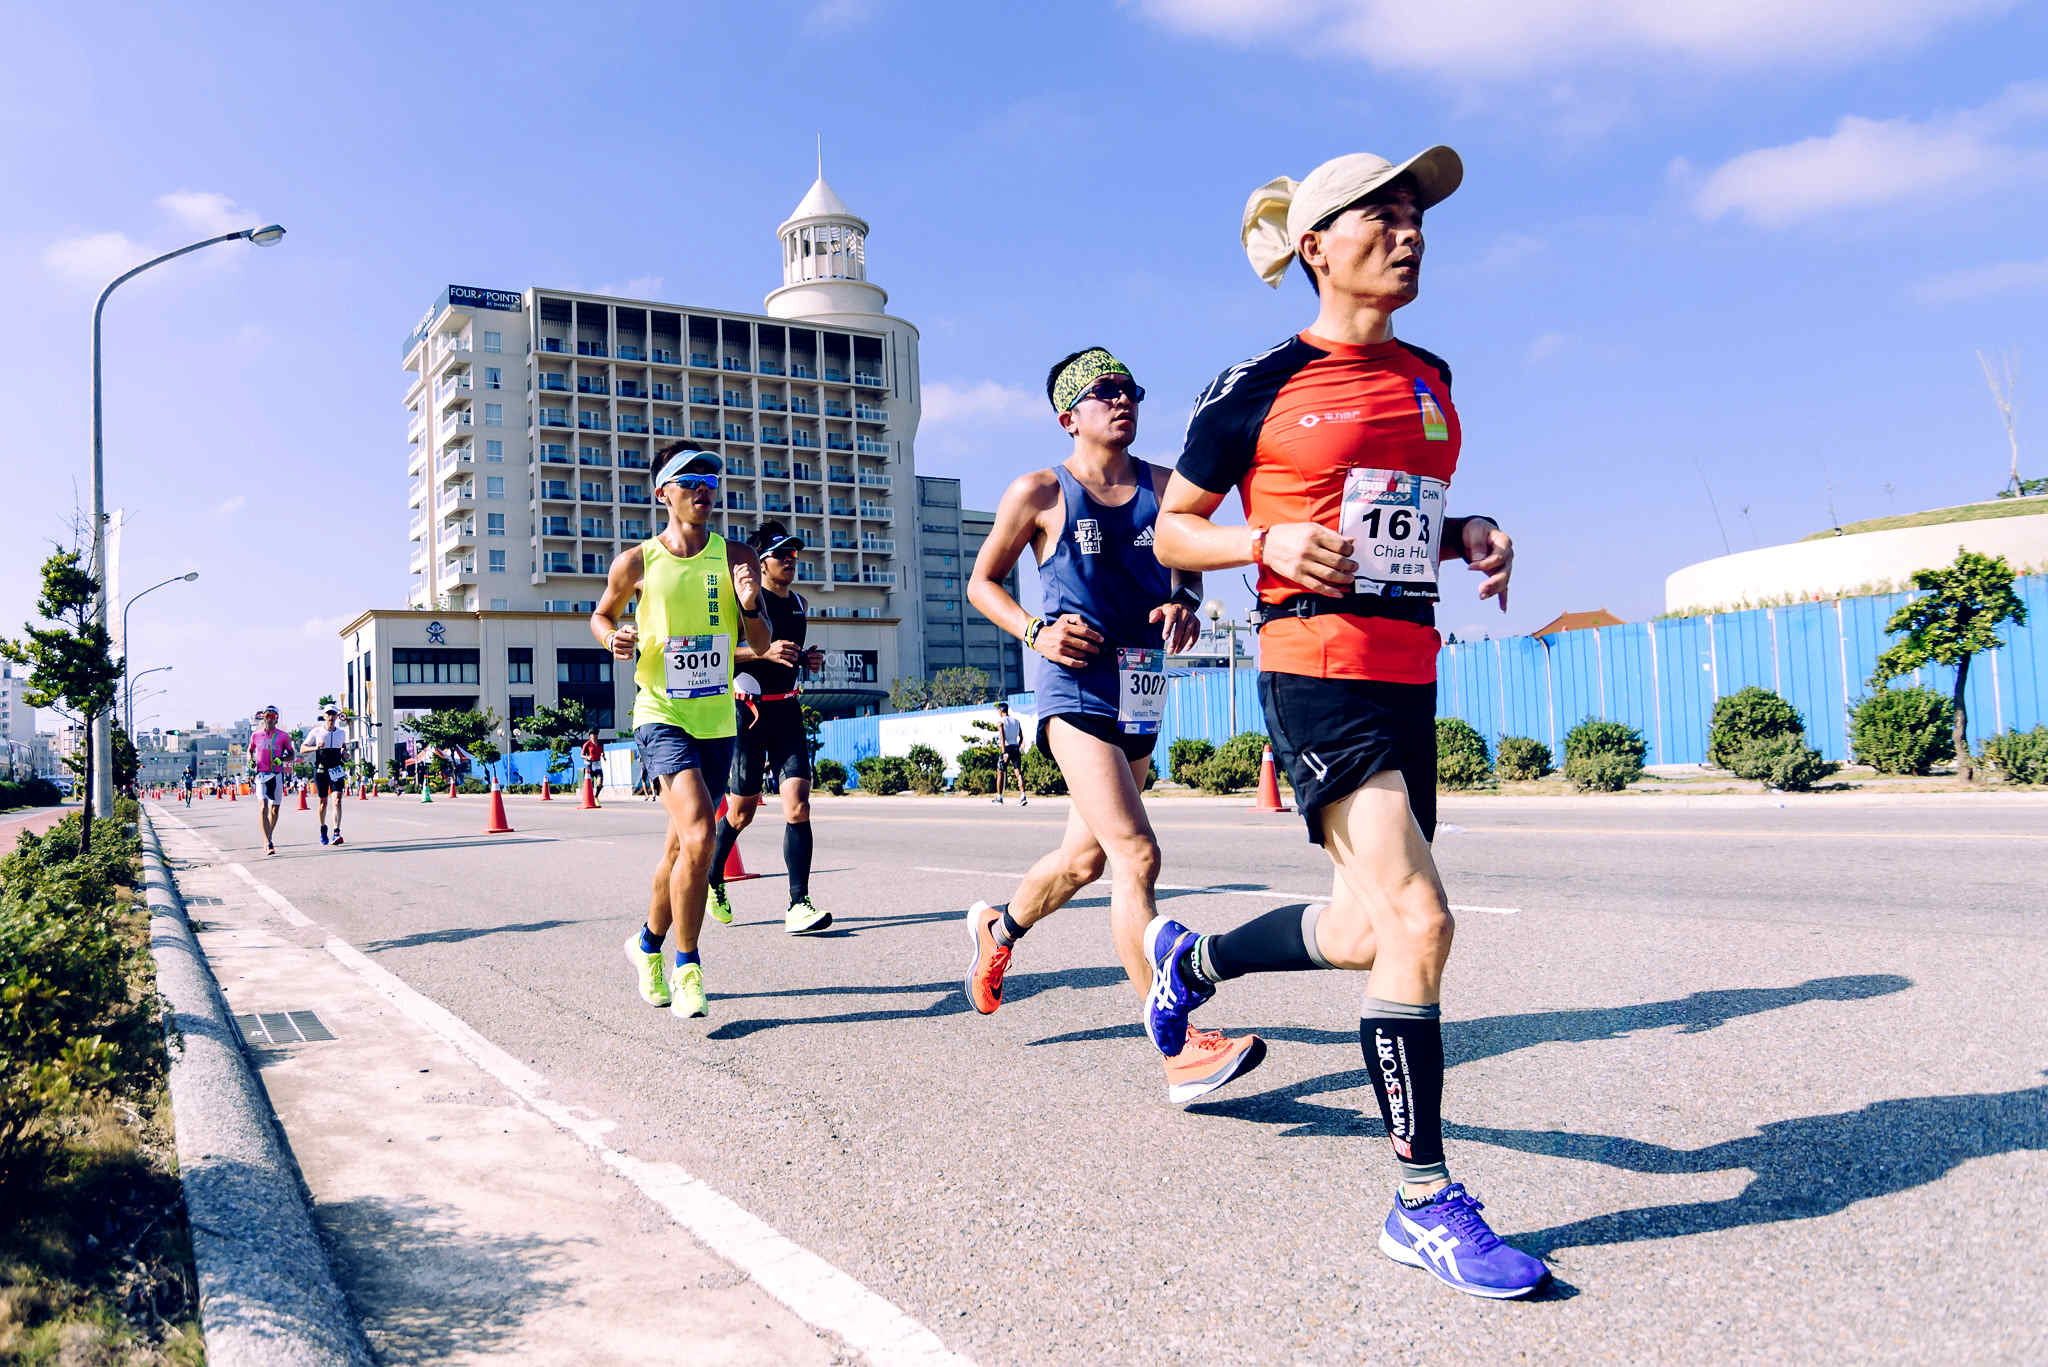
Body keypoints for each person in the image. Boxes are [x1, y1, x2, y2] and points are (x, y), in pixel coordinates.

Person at [1147, 148, 1544, 1299]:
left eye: (1417, 215)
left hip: (1406, 667)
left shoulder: (1431, 370)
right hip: (1312, 662)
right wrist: (1259, 542)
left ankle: (1194, 957)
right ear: (1317, 245)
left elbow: (1397, 517)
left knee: (1365, 930)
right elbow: (1175, 531)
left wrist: (1470, 529)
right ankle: (1422, 1200)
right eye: (1384, 213)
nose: (1409, 231)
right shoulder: (1252, 383)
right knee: (1421, 918)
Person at [960, 345, 1267, 1104]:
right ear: (1070, 415)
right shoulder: (1037, 490)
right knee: (1137, 854)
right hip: (1071, 692)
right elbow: (981, 582)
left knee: (1083, 862)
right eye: (1104, 392)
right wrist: (1036, 632)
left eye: (1130, 388)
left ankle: (997, 933)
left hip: (1139, 694)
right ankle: (1176, 1046)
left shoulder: (1166, 487)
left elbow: (1187, 554)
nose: (1123, 400)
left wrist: (1185, 601)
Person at [593, 446, 772, 1019]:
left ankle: (646, 947)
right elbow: (601, 615)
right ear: (662, 493)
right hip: (660, 713)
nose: (704, 488)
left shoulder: (737, 556)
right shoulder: (638, 562)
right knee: (700, 839)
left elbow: (763, 645)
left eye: (711, 479)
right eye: (689, 479)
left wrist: (749, 605)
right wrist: (612, 637)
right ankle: (687, 965)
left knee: (679, 850)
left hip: (716, 722)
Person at [708, 521, 831, 935]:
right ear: (760, 563)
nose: (791, 562)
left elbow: (788, 660)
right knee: (740, 812)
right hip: (748, 714)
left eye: (794, 555)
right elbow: (721, 655)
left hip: (788, 712)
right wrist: (761, 650)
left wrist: (807, 661)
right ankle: (712, 877)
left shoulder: (799, 602)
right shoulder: (742, 603)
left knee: (798, 803)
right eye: (782, 555)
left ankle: (799, 904)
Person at [248, 706, 295, 856]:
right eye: (267, 715)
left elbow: (292, 754)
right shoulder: (256, 735)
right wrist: (251, 760)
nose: (269, 718)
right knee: (263, 807)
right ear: (263, 718)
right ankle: (268, 842)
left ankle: (268, 836)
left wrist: (282, 759)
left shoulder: (283, 736)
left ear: (277, 719)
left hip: (276, 775)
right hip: (261, 774)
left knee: (274, 810)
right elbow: (249, 750)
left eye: (273, 716)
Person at [301, 706, 349, 847]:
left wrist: (344, 754)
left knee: (337, 800)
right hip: (321, 769)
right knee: (323, 802)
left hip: (336, 769)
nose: (331, 717)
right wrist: (316, 747)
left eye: (333, 714)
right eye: (328, 714)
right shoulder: (316, 732)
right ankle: (323, 828)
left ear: (336, 716)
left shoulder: (341, 733)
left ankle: (336, 832)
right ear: (324, 716)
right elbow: (302, 748)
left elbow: (343, 747)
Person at [991, 701, 1028, 806]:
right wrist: (1019, 746)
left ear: (1001, 710)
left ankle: (999, 797)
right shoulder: (1016, 721)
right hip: (1015, 747)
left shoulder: (1000, 722)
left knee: (1000, 772)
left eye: (998, 710)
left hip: (1006, 748)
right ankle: (1023, 796)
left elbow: (1002, 738)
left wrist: (1004, 753)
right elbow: (1021, 737)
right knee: (1018, 772)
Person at [582, 729, 606, 803]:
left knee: (600, 783)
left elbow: (602, 752)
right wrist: (587, 757)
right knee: (590, 784)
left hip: (598, 765)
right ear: (590, 735)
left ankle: (596, 796)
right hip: (589, 765)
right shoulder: (587, 744)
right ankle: (589, 798)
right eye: (592, 734)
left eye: (596, 734)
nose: (594, 736)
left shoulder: (600, 743)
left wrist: (603, 755)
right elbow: (581, 755)